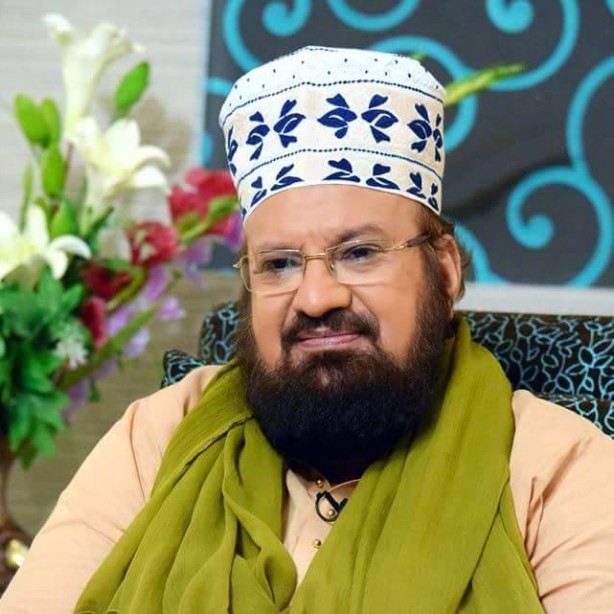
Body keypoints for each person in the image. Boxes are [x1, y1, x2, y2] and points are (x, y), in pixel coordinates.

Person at [2, 46, 614, 614]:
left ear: (446, 270)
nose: (317, 298)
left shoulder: (552, 466)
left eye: (360, 253)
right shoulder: (160, 437)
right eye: (279, 265)